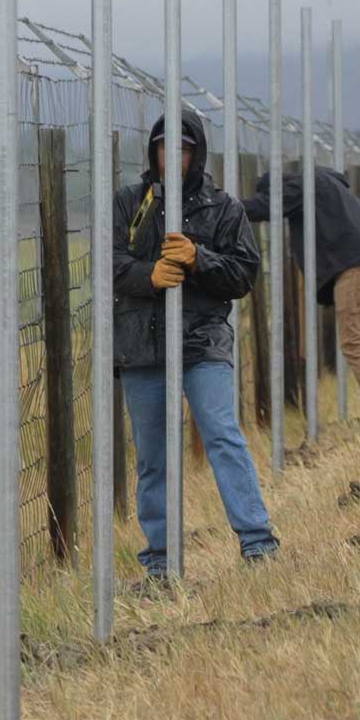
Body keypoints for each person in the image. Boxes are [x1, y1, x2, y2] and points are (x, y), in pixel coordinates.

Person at [114, 111, 280, 581]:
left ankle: (258, 543)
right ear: (153, 151)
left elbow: (244, 274)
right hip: (141, 343)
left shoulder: (224, 208)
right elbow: (109, 262)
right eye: (165, 147)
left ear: (196, 153)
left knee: (222, 434)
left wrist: (197, 258)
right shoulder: (129, 203)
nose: (173, 157)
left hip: (203, 339)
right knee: (152, 455)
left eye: (183, 149)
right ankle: (161, 561)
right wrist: (149, 276)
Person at [241, 167, 360, 434]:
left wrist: (222, 205)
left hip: (356, 269)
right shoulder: (330, 185)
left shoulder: (298, 182)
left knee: (357, 343)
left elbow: (265, 206)